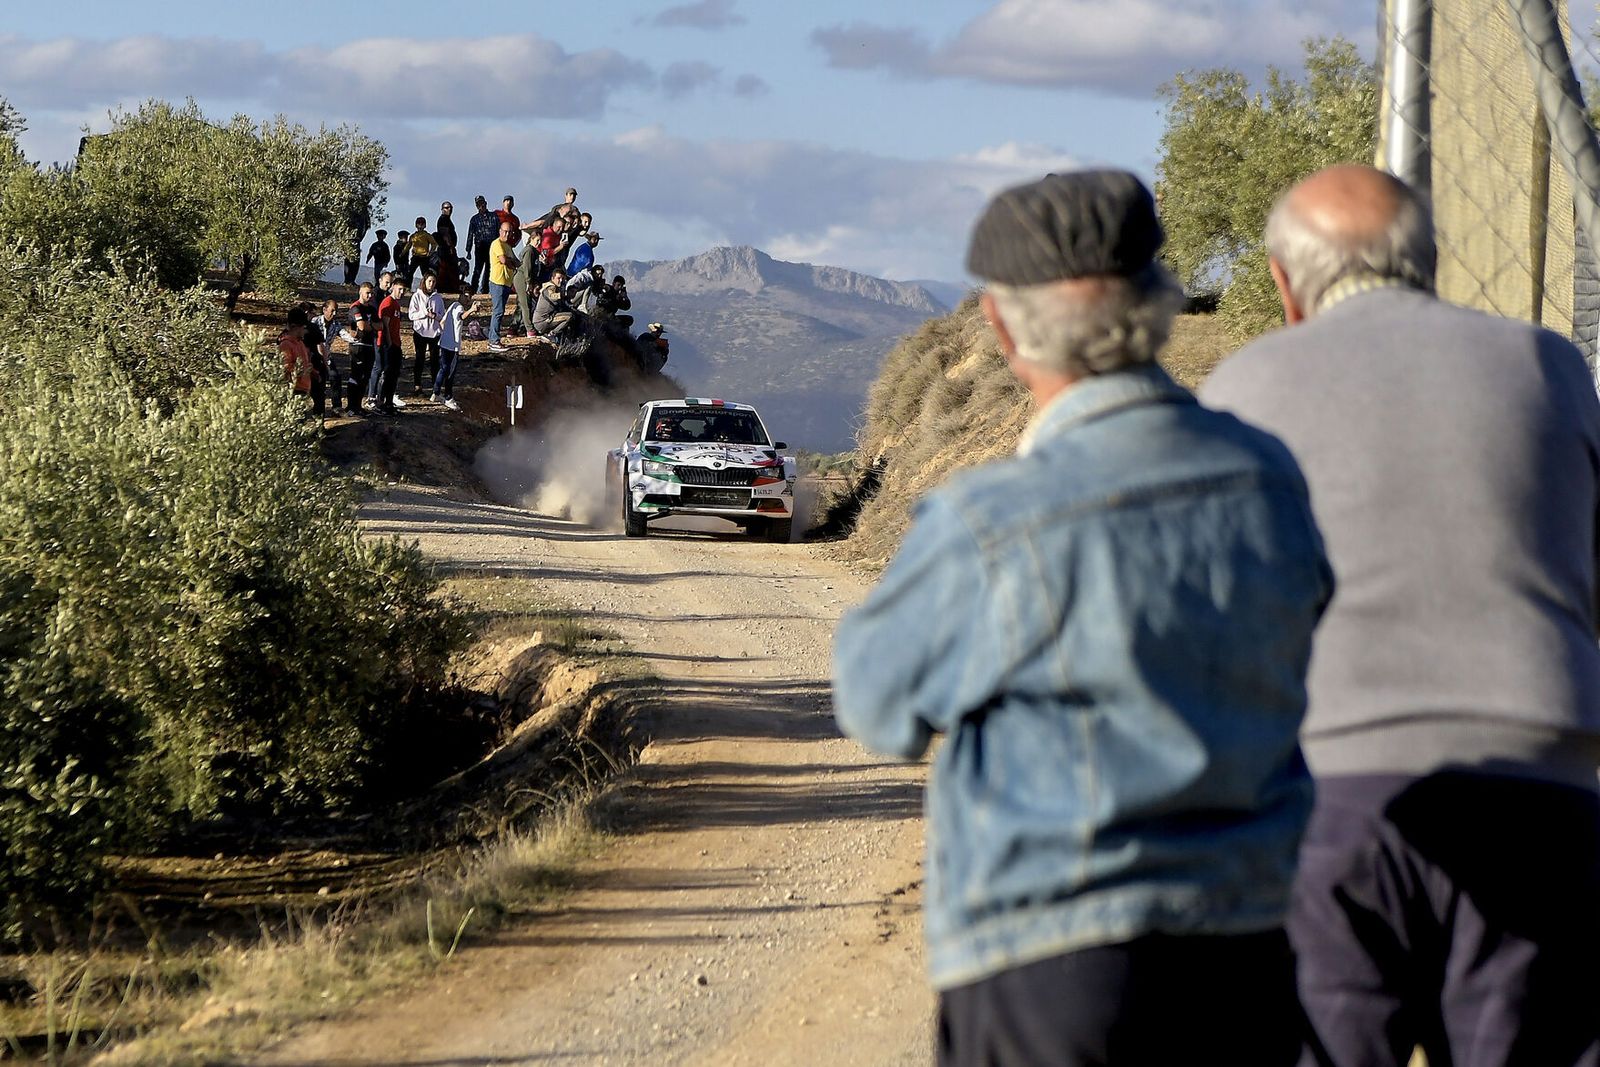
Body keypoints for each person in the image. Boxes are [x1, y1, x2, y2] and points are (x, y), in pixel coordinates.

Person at [832, 170, 1332, 1067]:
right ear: (1161, 304)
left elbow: (875, 703)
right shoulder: (1271, 476)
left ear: (1001, 327)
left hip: (1054, 955)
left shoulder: (995, 521)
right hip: (1253, 941)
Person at [1200, 163, 1600, 1067]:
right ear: (1429, 261)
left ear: (1283, 283)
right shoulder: (1551, 366)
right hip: (1543, 771)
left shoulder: (1243, 388)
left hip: (1328, 784)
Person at [342, 283, 378, 416]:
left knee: (365, 377)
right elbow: (362, 326)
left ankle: (358, 406)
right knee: (356, 376)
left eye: (371, 293)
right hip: (357, 346)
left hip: (369, 345)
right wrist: (371, 326)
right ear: (360, 292)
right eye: (367, 293)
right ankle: (351, 406)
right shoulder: (355, 307)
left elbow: (380, 326)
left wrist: (371, 326)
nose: (370, 296)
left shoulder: (372, 309)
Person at [433, 287, 472, 410]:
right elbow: (461, 316)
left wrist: (446, 333)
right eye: (465, 296)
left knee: (443, 369)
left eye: (469, 297)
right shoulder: (459, 307)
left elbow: (443, 322)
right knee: (450, 372)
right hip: (452, 346)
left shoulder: (452, 306)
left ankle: (436, 392)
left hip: (445, 342)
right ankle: (448, 397)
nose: (467, 299)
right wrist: (472, 310)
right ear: (460, 296)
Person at [375, 279, 407, 415]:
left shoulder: (396, 305)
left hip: (396, 343)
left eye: (403, 290)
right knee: (387, 373)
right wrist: (389, 343)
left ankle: (389, 402)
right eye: (399, 289)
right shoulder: (388, 302)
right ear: (393, 287)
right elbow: (385, 325)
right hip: (388, 344)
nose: (401, 292)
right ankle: (380, 403)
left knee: (394, 374)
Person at [408, 271, 444, 393]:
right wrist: (424, 313)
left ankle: (435, 385)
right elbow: (411, 315)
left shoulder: (438, 298)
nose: (431, 284)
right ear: (424, 281)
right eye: (429, 281)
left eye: (434, 282)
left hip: (434, 333)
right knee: (420, 358)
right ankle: (417, 385)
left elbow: (442, 316)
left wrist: (435, 316)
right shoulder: (417, 296)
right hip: (420, 332)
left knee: (434, 360)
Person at [486, 220, 519, 353]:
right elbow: (504, 260)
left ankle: (494, 339)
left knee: (500, 311)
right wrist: (510, 263)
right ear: (500, 231)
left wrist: (511, 263)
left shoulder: (508, 247)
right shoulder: (497, 243)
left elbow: (516, 262)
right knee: (498, 311)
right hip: (497, 282)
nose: (507, 234)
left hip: (506, 283)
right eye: (505, 231)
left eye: (509, 232)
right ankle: (493, 340)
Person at [312, 298, 345, 414]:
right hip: (314, 357)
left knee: (335, 377)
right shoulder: (315, 322)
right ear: (324, 309)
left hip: (327, 357)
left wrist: (355, 338)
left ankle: (336, 406)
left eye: (336, 311)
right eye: (332, 310)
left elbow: (344, 334)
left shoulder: (336, 324)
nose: (334, 314)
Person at [467, 195, 498, 294]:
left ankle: (485, 290)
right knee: (477, 269)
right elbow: (470, 235)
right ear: (476, 206)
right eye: (479, 204)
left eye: (482, 203)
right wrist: (468, 250)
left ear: (486, 203)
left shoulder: (494, 216)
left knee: (489, 269)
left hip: (492, 246)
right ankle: (473, 290)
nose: (481, 206)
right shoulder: (474, 219)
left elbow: (499, 231)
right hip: (480, 247)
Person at [407, 219, 435, 287]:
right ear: (416, 225)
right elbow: (408, 246)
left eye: (422, 224)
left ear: (425, 225)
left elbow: (434, 244)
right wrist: (402, 254)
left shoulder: (427, 235)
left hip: (424, 257)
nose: (420, 225)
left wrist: (430, 252)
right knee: (410, 272)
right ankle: (407, 287)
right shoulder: (413, 236)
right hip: (415, 257)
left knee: (425, 274)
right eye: (418, 223)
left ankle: (427, 287)